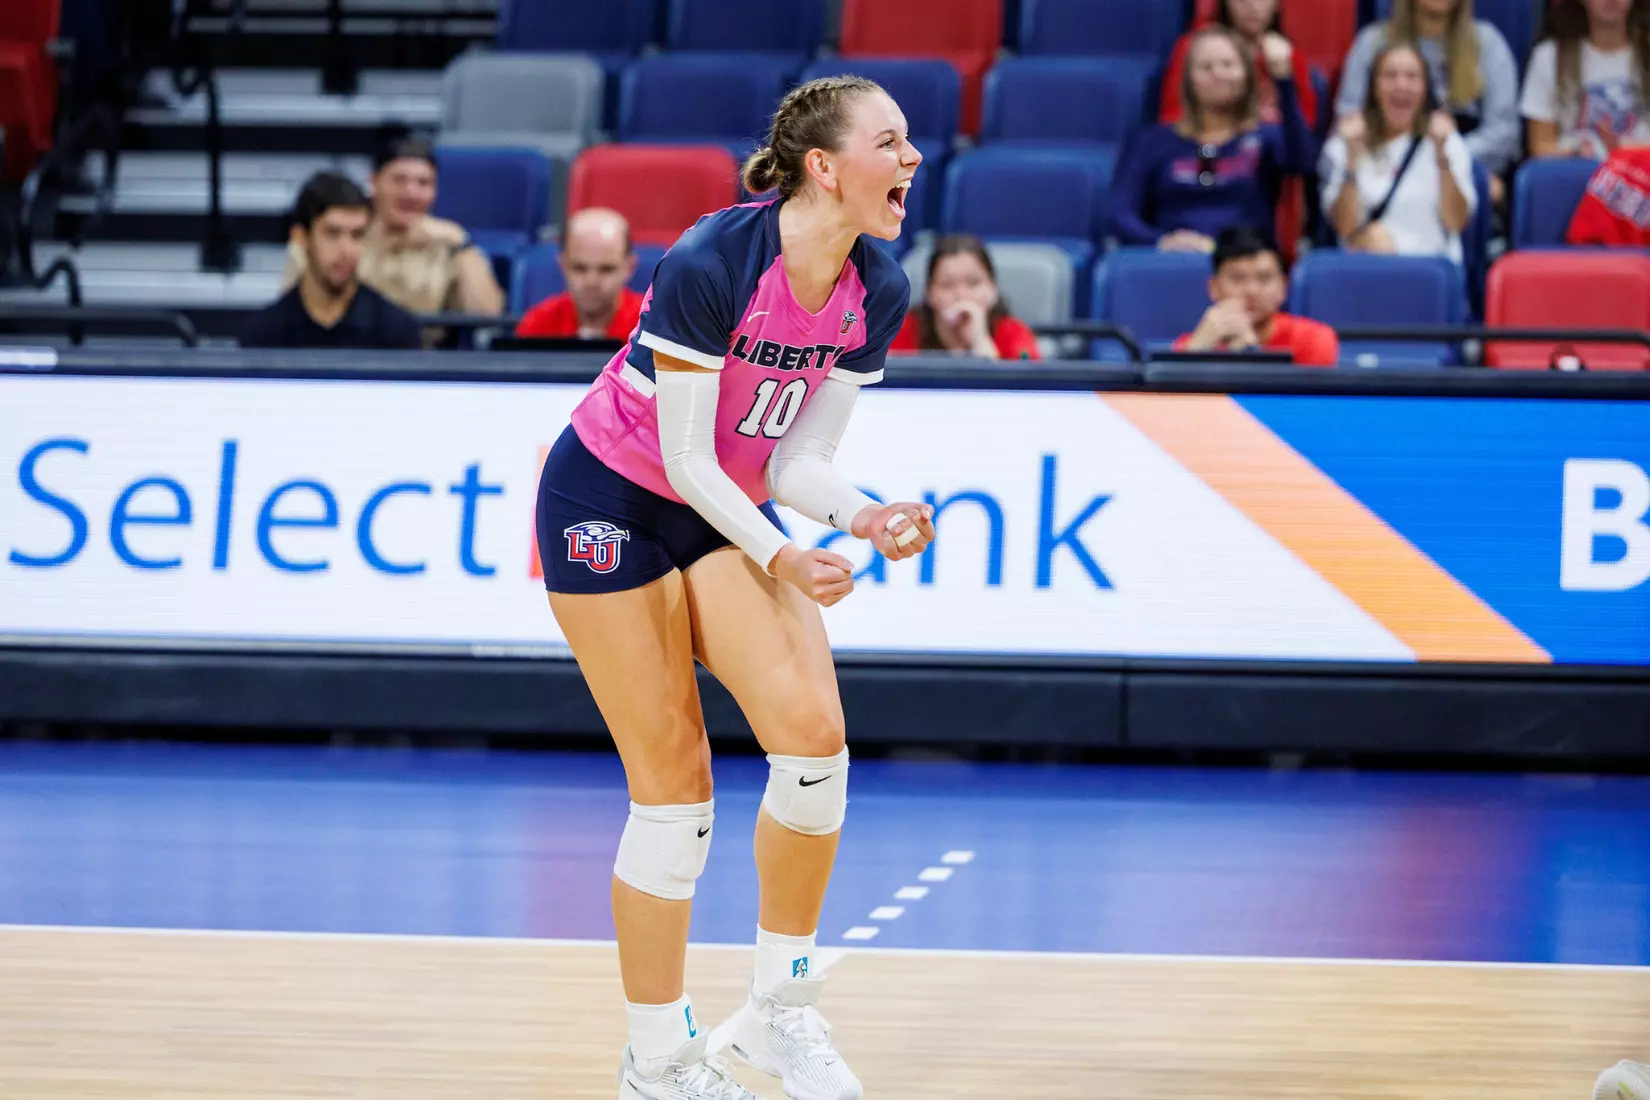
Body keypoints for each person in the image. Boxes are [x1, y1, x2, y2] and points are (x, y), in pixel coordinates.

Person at [534, 75, 933, 1100]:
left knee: (814, 742)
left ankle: (777, 1009)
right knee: (675, 794)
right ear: (825, 166)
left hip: (720, 512)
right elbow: (689, 459)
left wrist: (861, 515)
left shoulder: (875, 287)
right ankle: (657, 1058)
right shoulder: (720, 256)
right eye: (891, 142)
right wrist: (786, 557)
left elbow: (797, 458)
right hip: (611, 503)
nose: (913, 159)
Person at [1109, 25, 1316, 252]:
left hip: (1245, 266)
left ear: (1247, 73)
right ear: (1189, 79)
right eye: (1205, 67)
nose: (1218, 74)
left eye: (1228, 65)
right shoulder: (1151, 141)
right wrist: (1161, 242)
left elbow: (1302, 161)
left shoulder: (1267, 136)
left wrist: (1284, 82)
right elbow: (1120, 213)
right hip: (1172, 262)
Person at [282, 133, 504, 339]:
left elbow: (487, 317)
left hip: (422, 366)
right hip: (342, 355)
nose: (411, 192)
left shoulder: (452, 242)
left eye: (423, 183)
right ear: (374, 182)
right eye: (399, 180)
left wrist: (461, 245)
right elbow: (291, 308)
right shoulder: (337, 234)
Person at [1334, 0, 1521, 185]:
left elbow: (1502, 133)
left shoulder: (1487, 44)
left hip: (1461, 177)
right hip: (1383, 176)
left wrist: (1441, 160)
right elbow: (1348, 121)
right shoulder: (1373, 43)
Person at [1321, 43, 1478, 261]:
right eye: (1390, 75)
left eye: (1412, 77)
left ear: (1425, 88)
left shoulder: (1448, 143)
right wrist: (1351, 158)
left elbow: (1456, 222)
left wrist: (1442, 156)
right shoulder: (1346, 143)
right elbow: (1345, 227)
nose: (1401, 85)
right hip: (1367, 271)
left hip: (1429, 271)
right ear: (1374, 87)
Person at [239, 172, 422, 350]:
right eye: (332, 234)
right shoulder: (263, 335)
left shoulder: (397, 332)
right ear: (300, 237)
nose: (347, 250)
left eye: (357, 235)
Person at [1172, 225, 1339, 365]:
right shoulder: (1192, 345)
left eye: (1264, 278)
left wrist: (1250, 354)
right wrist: (1197, 351)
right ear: (1213, 287)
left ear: (1284, 286)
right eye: (1237, 279)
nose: (1251, 291)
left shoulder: (1314, 341)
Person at [1159, 0, 1320, 128]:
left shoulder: (1288, 54)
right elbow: (1171, 118)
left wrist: (1283, 78)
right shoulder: (1196, 47)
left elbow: (1305, 128)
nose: (1253, 6)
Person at [1522, 0, 1649, 160]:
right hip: (1574, 173)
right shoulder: (1549, 57)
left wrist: (1621, 149)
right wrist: (1578, 151)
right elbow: (1540, 146)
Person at [888, 234, 1040, 360]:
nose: (961, 295)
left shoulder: (1014, 333)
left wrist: (979, 340)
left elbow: (1024, 389)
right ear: (930, 294)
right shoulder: (903, 331)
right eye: (947, 285)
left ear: (993, 289)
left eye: (973, 283)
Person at [516, 207, 647, 340]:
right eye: (579, 268)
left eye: (606, 269)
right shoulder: (537, 325)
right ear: (563, 265)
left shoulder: (651, 327)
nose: (591, 282)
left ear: (629, 267)